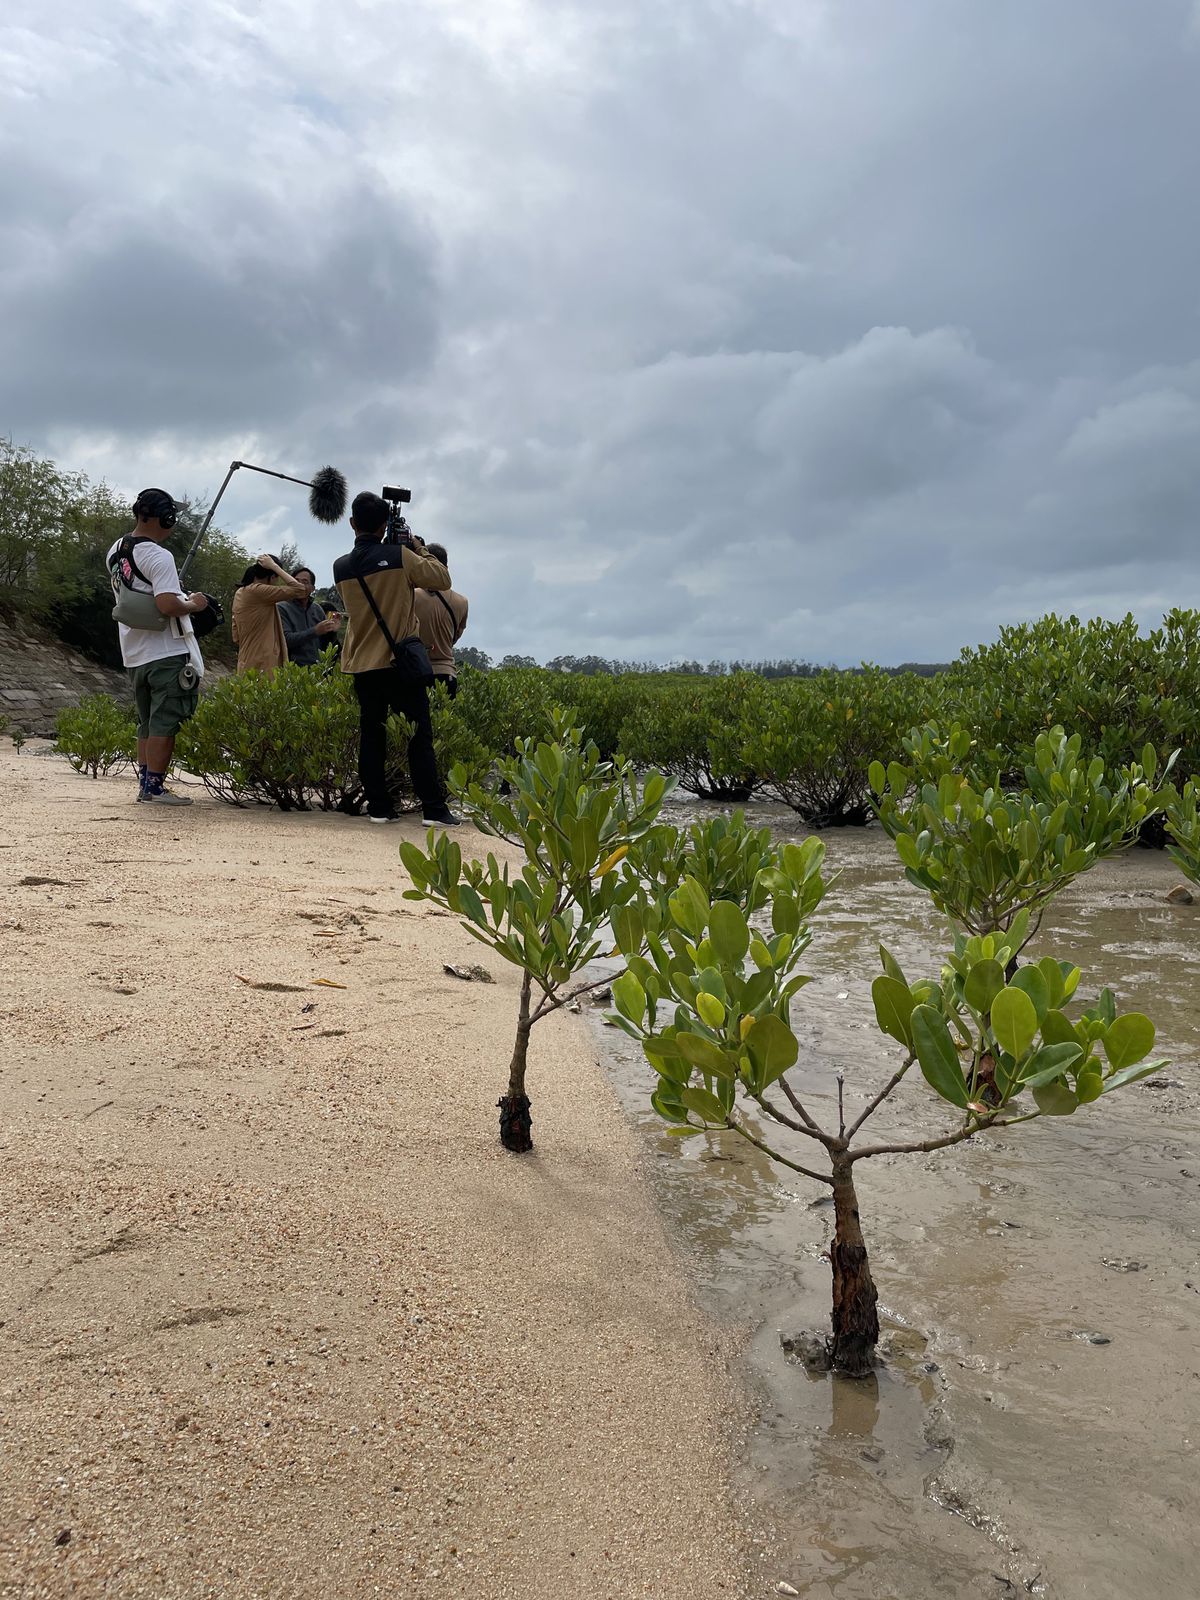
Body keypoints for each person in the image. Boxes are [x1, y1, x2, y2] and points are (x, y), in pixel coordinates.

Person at [332, 492, 459, 825]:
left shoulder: (341, 566)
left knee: (372, 736)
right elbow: (442, 579)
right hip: (399, 663)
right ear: (385, 523)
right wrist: (417, 545)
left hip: (362, 663)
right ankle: (433, 808)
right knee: (419, 737)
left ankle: (379, 808)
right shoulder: (401, 555)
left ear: (352, 523)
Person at [106, 487, 208, 806]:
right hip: (165, 652)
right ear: (166, 518)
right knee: (166, 718)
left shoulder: (115, 550)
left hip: (134, 651)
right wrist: (193, 603)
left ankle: (145, 784)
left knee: (146, 721)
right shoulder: (159, 556)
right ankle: (154, 788)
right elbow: (166, 604)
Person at [231, 554, 307, 674]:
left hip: (246, 660)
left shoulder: (240, 593)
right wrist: (274, 566)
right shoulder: (258, 591)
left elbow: (236, 636)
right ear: (272, 577)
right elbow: (300, 590)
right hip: (263, 664)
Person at [413, 542, 468, 698]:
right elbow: (454, 638)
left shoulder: (412, 597)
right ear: (446, 568)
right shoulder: (462, 602)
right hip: (447, 672)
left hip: (418, 670)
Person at [280, 566, 341, 666]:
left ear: (313, 589)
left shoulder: (317, 609)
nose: (299, 585)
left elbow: (326, 644)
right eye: (296, 581)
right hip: (292, 671)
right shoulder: (281, 608)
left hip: (317, 670)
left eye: (305, 582)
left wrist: (332, 631)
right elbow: (286, 640)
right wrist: (315, 631)